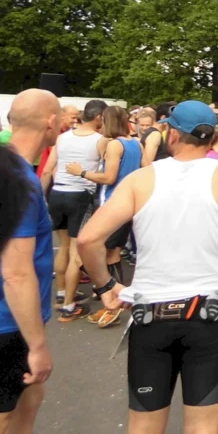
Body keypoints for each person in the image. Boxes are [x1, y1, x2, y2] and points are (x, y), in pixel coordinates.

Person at [77, 100, 218, 434]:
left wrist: (106, 287)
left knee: (143, 424)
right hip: (209, 313)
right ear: (212, 137)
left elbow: (87, 240)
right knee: (203, 425)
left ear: (171, 134)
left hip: (151, 314)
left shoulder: (142, 179)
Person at [0, 90, 60, 432]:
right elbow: (16, 273)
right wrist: (37, 345)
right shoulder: (19, 182)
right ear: (50, 123)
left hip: (14, 320)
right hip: (9, 323)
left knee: (31, 398)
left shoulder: (13, 169)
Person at [70, 105, 142, 328]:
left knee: (85, 255)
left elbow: (109, 178)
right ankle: (112, 307)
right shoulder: (136, 143)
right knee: (113, 255)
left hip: (111, 204)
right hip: (129, 203)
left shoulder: (114, 145)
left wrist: (81, 172)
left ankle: (107, 304)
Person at [44, 98, 108, 322]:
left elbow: (48, 169)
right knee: (75, 253)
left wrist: (42, 197)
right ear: (99, 117)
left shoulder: (62, 138)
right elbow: (108, 173)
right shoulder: (101, 141)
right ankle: (69, 307)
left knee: (63, 247)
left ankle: (62, 294)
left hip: (58, 193)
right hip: (80, 196)